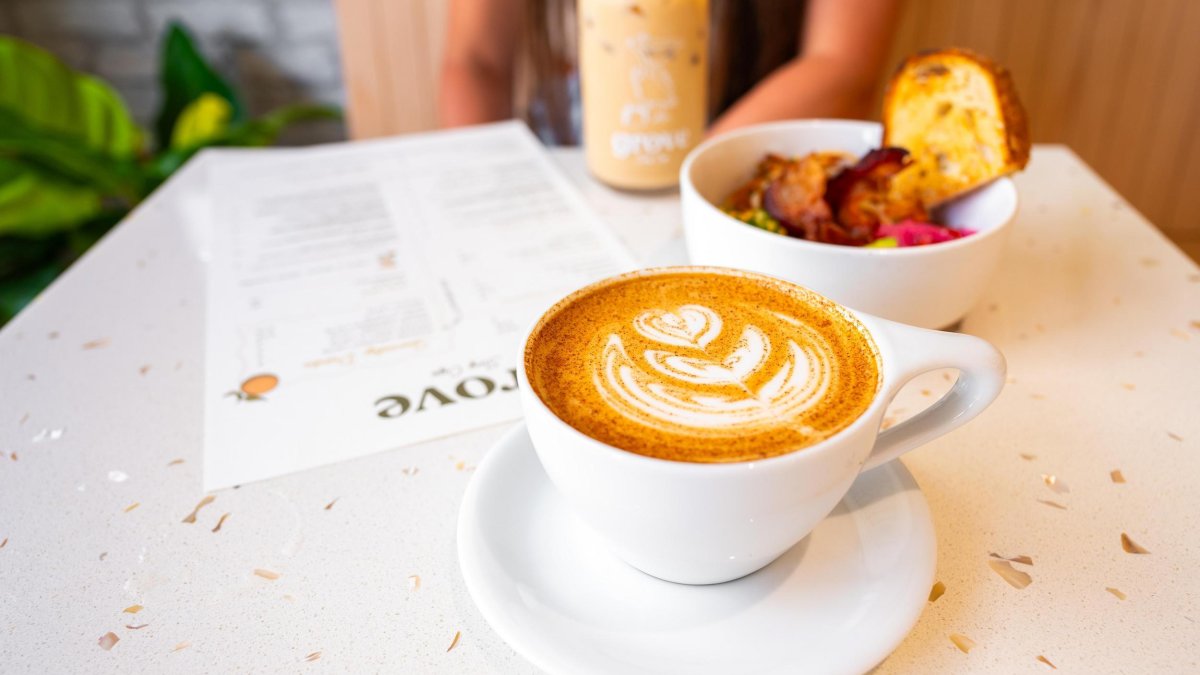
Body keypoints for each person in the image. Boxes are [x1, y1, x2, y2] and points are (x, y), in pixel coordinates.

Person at [438, 0, 902, 143]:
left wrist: (695, 182)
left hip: (751, 136)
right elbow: (475, 60)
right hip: (570, 142)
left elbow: (842, 66)